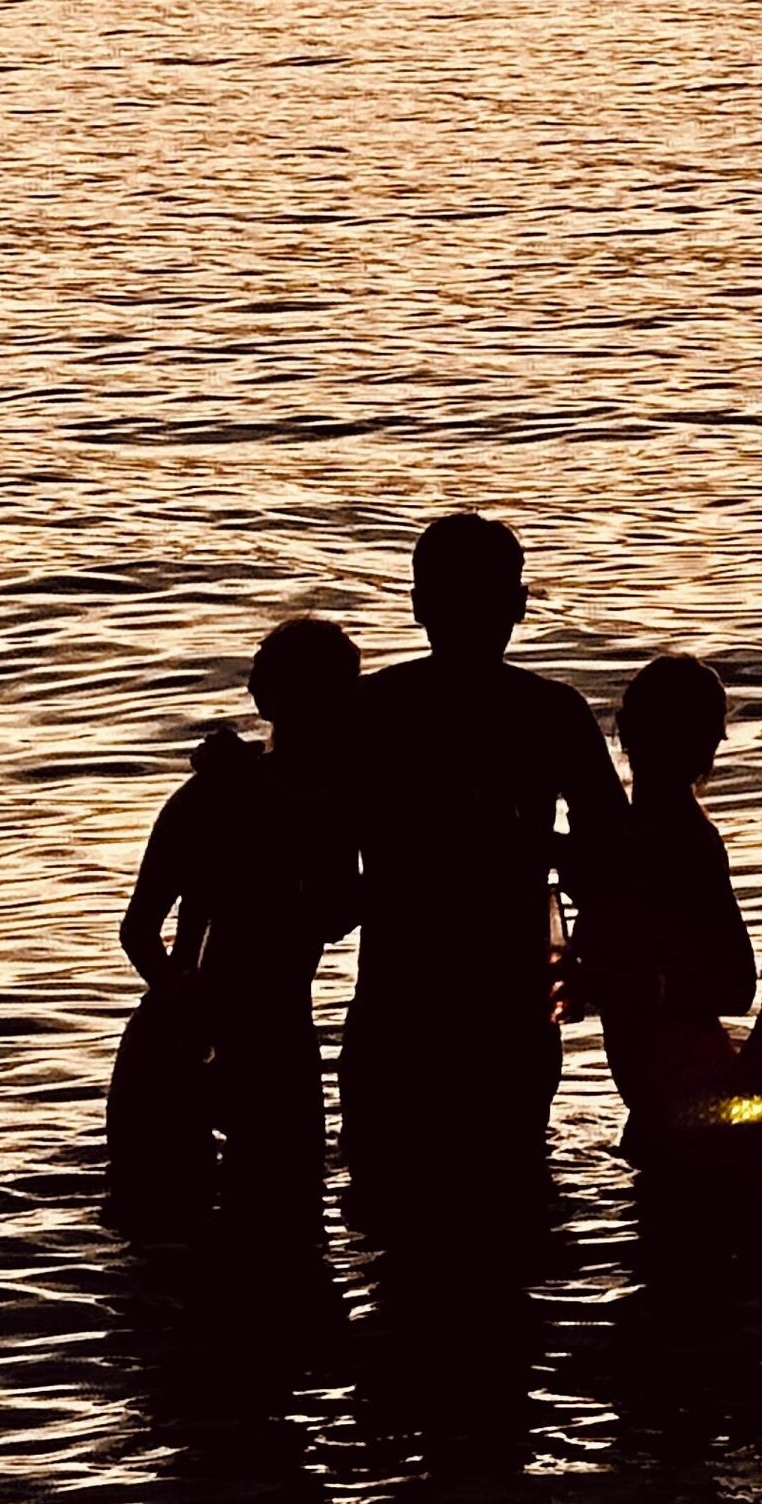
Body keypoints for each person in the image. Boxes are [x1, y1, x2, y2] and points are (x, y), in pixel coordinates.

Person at [336, 512, 627, 1219]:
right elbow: (613, 858)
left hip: (398, 1000)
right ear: (519, 608)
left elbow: (324, 870)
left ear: (417, 607)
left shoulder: (369, 709)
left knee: (389, 1217)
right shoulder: (553, 712)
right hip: (507, 1006)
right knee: (508, 1213)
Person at [106, 616, 363, 1216]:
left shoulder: (322, 798)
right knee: (275, 1239)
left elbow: (334, 910)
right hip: (205, 1035)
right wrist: (180, 995)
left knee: (181, 1246)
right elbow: (139, 929)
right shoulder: (215, 795)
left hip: (257, 1036)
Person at [578, 654, 761, 1162]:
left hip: (688, 1091)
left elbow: (736, 984)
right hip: (673, 1095)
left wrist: (646, 990)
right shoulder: (632, 840)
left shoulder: (685, 842)